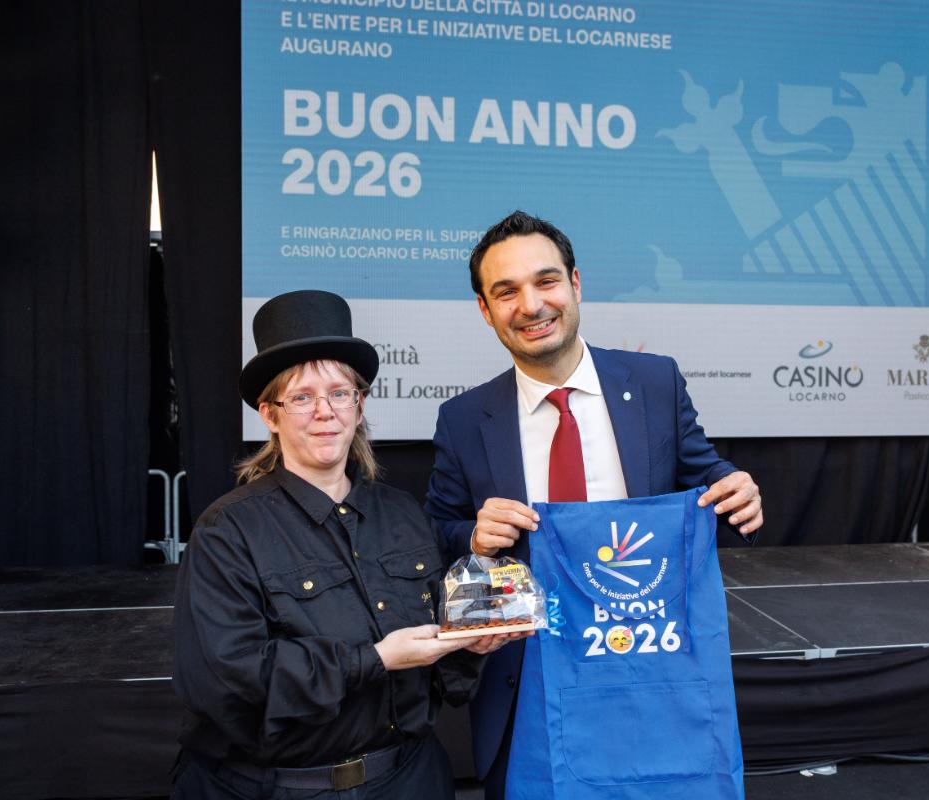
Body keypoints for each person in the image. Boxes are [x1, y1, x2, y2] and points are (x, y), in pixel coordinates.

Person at [425, 211, 764, 799]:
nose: (531, 305)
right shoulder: (464, 420)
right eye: (506, 291)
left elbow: (706, 475)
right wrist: (473, 539)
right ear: (485, 309)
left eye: (546, 281)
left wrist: (736, 489)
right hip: (530, 689)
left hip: (649, 672)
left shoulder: (655, 383)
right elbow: (435, 535)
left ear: (575, 283)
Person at [172, 290, 520, 800]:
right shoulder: (227, 532)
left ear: (359, 406)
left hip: (409, 781)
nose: (325, 412)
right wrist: (374, 659)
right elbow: (226, 683)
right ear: (270, 414)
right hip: (278, 790)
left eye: (339, 393)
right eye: (302, 397)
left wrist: (467, 645)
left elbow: (440, 676)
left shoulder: (404, 515)